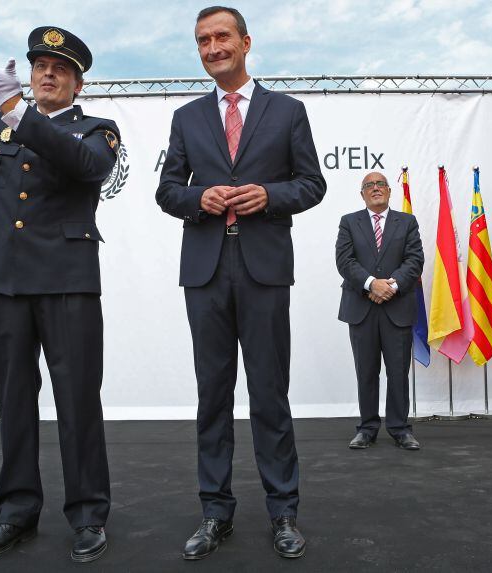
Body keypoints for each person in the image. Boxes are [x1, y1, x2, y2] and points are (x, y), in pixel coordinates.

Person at [0, 24, 120, 563]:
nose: (48, 73)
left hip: (65, 279)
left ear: (78, 85)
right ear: (30, 73)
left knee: (78, 400)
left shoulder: (98, 130)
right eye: (40, 66)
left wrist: (14, 106)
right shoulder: (0, 121)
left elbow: (82, 166)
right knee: (13, 400)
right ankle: (16, 512)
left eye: (60, 69)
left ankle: (87, 515)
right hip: (5, 278)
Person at [156, 6, 326, 561]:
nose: (212, 47)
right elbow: (166, 191)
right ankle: (214, 512)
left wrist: (270, 196)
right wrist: (196, 199)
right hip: (205, 271)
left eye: (221, 36)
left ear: (246, 42)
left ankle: (284, 513)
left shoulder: (288, 112)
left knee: (270, 394)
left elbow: (312, 184)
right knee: (213, 396)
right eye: (202, 40)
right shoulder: (187, 117)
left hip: (264, 269)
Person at [335, 172, 424, 451]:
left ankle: (400, 429)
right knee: (366, 371)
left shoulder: (407, 222)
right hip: (361, 308)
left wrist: (391, 286)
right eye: (369, 186)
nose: (376, 189)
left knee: (398, 371)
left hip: (396, 307)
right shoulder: (349, 222)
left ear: (389, 191)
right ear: (362, 194)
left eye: (381, 184)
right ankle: (367, 428)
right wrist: (372, 284)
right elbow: (344, 261)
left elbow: (415, 259)